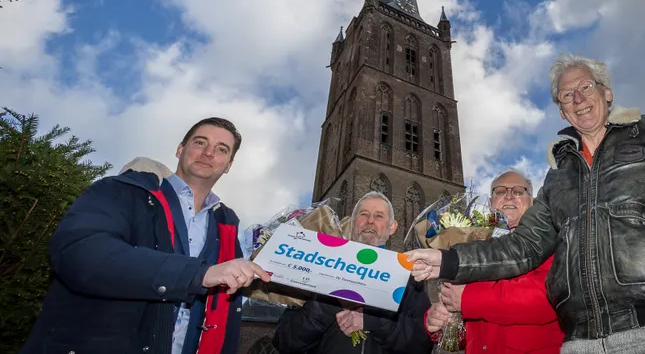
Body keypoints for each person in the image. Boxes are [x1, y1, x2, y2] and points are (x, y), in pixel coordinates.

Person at [408, 54, 645, 354]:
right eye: (567, 95)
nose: (578, 98)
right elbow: (523, 246)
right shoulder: (558, 174)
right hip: (584, 342)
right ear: (561, 109)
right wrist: (445, 259)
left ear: (607, 92)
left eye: (585, 87)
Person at [22, 117, 270, 354]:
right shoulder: (122, 191)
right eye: (200, 142)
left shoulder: (226, 226)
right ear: (180, 149)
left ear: (228, 166)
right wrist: (198, 274)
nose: (208, 152)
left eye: (221, 149)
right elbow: (80, 253)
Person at [273, 191, 433, 354]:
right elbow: (284, 341)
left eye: (379, 216)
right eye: (364, 214)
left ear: (392, 227)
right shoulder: (319, 266)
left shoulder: (408, 279)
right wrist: (328, 303)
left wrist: (373, 321)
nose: (370, 221)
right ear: (353, 222)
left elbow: (423, 345)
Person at [425, 169, 565, 353]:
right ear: (491, 202)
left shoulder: (553, 238)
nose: (508, 196)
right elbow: (471, 334)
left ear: (532, 202)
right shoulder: (474, 248)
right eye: (500, 191)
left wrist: (467, 299)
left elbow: (547, 298)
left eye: (518, 191)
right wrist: (442, 321)